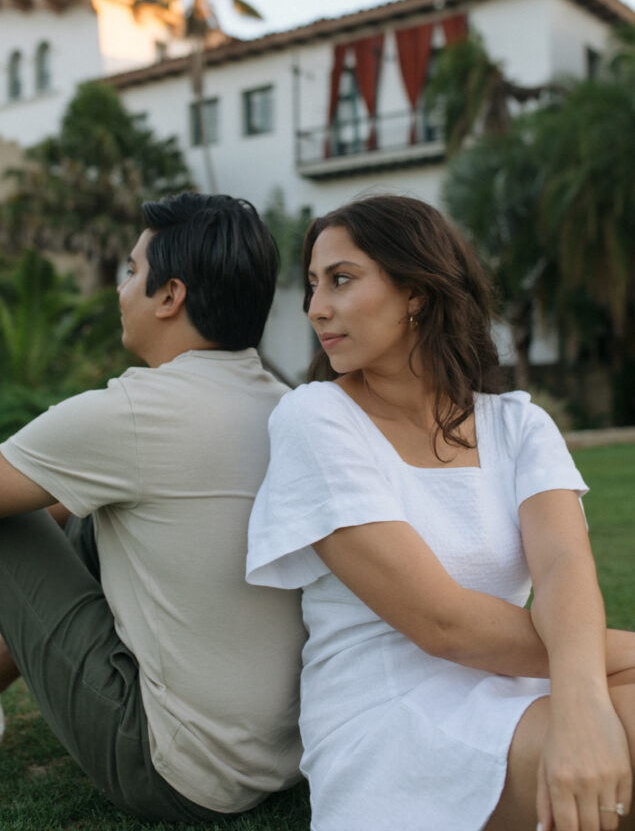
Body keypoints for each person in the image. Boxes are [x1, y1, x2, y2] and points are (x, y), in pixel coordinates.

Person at [246, 194, 635, 831]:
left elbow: (565, 565)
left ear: (416, 294)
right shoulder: (315, 419)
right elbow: (442, 623)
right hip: (394, 714)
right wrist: (594, 667)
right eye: (314, 284)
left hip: (520, 684)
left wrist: (582, 694)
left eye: (341, 280)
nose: (317, 307)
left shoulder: (518, 424)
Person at [0, 192, 305, 824]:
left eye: (132, 272)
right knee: (81, 507)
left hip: (174, 772)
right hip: (275, 759)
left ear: (170, 296)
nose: (122, 290)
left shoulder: (138, 414)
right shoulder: (286, 405)